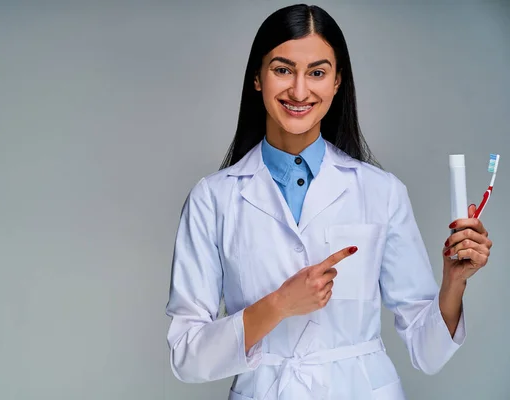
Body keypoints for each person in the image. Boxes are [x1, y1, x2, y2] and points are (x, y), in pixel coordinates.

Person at [165, 4, 493, 400]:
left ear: (337, 83)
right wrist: (279, 304)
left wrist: (454, 283)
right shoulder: (213, 198)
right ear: (257, 77)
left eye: (317, 73)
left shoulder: (381, 191)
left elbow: (427, 352)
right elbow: (187, 355)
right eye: (282, 69)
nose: (300, 91)